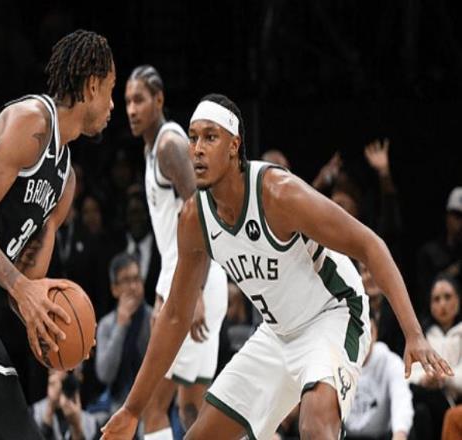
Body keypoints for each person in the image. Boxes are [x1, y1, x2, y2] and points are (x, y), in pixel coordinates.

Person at [102, 94, 451, 440]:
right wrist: (132, 409)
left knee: (315, 426)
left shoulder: (277, 193)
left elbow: (370, 245)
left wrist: (414, 334)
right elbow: (176, 315)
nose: (197, 149)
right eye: (193, 138)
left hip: (332, 313)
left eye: (210, 137)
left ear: (234, 145)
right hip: (277, 332)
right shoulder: (194, 218)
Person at [0, 29, 115, 439]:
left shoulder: (65, 183)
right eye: (111, 90)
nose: (112, 105)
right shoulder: (31, 122)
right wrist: (19, 287)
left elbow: (28, 286)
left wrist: (56, 325)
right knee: (17, 424)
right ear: (93, 85)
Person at [124, 66, 227, 438]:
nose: (131, 109)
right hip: (194, 280)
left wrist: (192, 292)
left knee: (152, 407)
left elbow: (202, 216)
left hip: (191, 281)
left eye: (139, 100)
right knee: (191, 407)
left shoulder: (169, 145)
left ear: (159, 100)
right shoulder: (154, 147)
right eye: (127, 102)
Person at [95, 252, 152, 417]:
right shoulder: (106, 325)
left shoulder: (153, 318)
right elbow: (105, 374)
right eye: (126, 280)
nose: (133, 287)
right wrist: (121, 326)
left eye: (136, 279)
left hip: (151, 402)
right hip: (117, 404)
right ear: (114, 289)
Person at [408, 274, 462, 440]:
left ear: (458, 300)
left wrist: (444, 377)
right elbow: (409, 372)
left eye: (447, 297)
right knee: (420, 410)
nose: (442, 304)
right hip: (426, 398)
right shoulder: (421, 336)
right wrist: (425, 379)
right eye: (436, 299)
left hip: (454, 401)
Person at [345, 312, 414, 440]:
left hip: (380, 437)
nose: (362, 339)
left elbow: (401, 400)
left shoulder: (390, 362)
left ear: (375, 332)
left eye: (367, 331)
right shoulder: (334, 362)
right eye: (355, 332)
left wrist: (400, 434)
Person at [416, 186, 462, 317]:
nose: (460, 222)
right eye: (457, 216)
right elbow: (424, 296)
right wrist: (450, 274)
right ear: (448, 216)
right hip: (433, 322)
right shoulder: (429, 253)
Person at [32, 368, 98, 440]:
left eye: (71, 371)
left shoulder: (91, 423)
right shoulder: (34, 413)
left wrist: (76, 427)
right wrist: (50, 408)